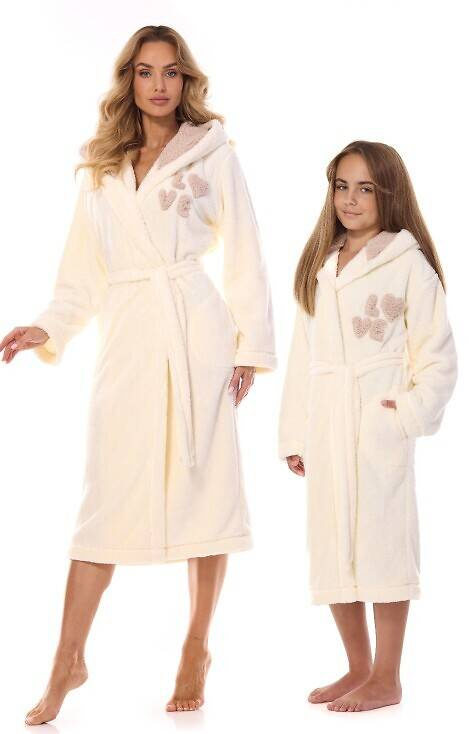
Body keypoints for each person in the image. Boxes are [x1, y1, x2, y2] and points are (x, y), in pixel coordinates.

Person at [0, 25, 276, 724]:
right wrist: (49, 326)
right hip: (127, 339)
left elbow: (245, 251)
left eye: (171, 72)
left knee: (206, 490)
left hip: (196, 334)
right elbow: (81, 275)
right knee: (105, 496)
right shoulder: (102, 167)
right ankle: (68, 659)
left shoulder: (213, 152)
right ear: (129, 79)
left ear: (187, 81)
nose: (159, 85)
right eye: (146, 72)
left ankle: (196, 645)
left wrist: (249, 347)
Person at [278, 140, 458, 712]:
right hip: (327, 421)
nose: (350, 200)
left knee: (383, 544)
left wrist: (405, 414)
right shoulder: (321, 264)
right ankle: (357, 666)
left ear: (389, 194)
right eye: (341, 186)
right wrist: (295, 432)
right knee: (333, 545)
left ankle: (387, 675)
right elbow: (304, 356)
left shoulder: (409, 264)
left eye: (365, 189)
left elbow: (438, 358)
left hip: (377, 421)